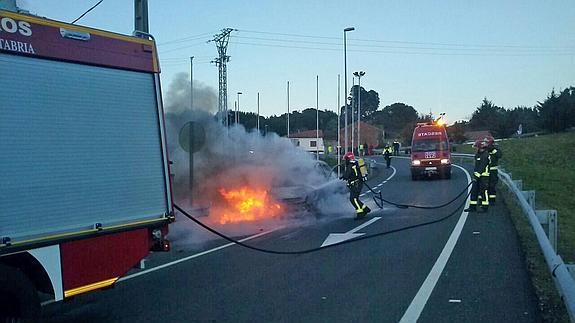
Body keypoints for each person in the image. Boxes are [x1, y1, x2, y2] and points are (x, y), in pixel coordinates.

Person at [341, 152, 371, 219]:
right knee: (356, 199)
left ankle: (360, 213)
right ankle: (366, 209)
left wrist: (343, 176)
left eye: (346, 159)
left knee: (353, 199)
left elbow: (347, 175)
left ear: (349, 158)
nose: (345, 161)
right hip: (358, 183)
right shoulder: (356, 163)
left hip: (355, 184)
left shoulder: (351, 165)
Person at [465, 139, 491, 213]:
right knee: (474, 191)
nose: (475, 149)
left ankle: (484, 207)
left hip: (484, 176)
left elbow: (482, 167)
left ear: (480, 147)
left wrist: (476, 176)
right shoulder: (478, 154)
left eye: (476, 147)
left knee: (483, 191)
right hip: (477, 176)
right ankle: (472, 207)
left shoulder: (485, 155)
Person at [486, 135, 502, 204]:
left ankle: (492, 200)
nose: (486, 144)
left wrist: (493, 149)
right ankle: (484, 200)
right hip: (485, 171)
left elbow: (499, 155)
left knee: (492, 186)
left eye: (487, 142)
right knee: (484, 186)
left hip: (493, 171)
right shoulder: (484, 150)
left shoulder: (495, 150)